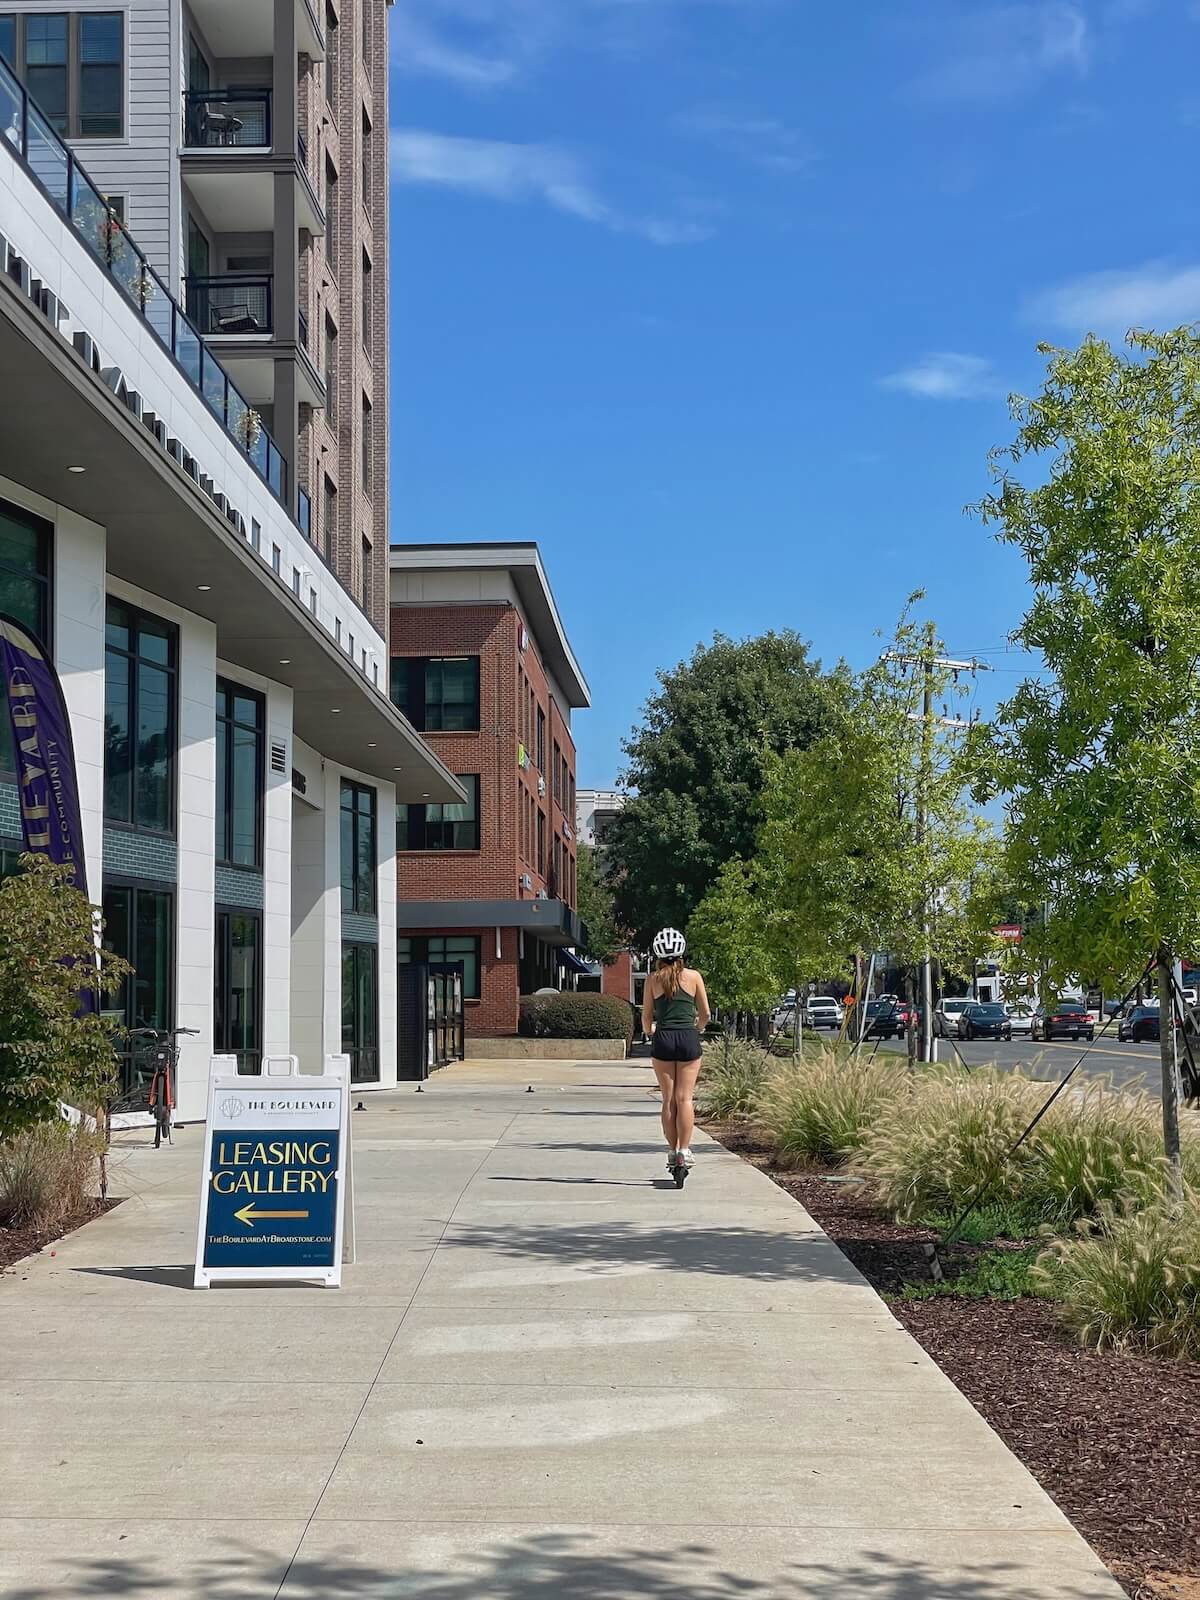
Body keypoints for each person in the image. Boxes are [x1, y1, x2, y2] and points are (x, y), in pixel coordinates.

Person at [642, 927, 711, 1172]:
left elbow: (646, 1016)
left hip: (663, 1039)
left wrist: (650, 1031)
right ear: (682, 953)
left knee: (669, 1099)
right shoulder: (694, 977)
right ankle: (684, 1150)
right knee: (685, 1098)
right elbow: (705, 1013)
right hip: (688, 1038)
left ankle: (672, 1152)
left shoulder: (652, 979)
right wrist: (698, 1028)